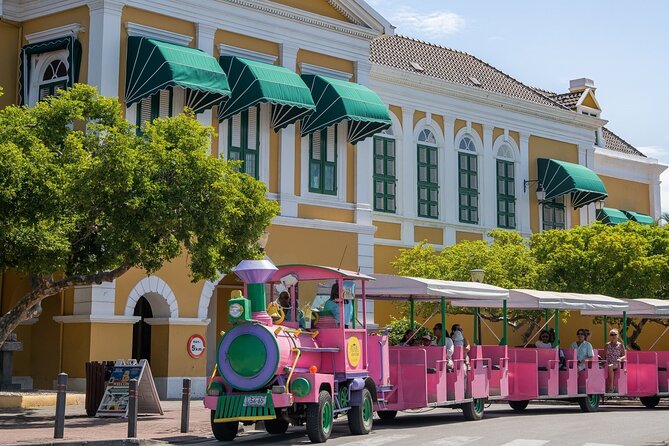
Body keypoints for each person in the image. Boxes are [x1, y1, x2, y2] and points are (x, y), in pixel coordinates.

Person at [605, 329, 626, 393]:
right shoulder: (607, 345)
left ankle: (611, 386)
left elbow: (625, 356)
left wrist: (620, 359)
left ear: (618, 336)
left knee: (610, 366)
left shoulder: (620, 345)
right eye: (611, 334)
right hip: (607, 362)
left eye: (615, 334)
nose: (613, 336)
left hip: (617, 363)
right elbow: (604, 355)